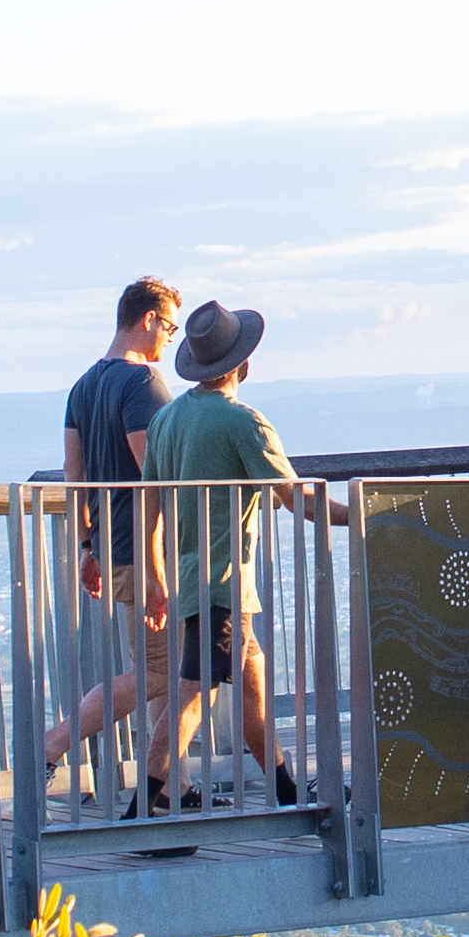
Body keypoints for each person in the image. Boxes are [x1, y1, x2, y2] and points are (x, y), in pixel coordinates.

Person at [143, 296, 350, 810]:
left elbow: (148, 500)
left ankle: (285, 792)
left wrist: (153, 572)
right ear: (244, 364)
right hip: (223, 580)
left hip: (194, 575)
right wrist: (368, 513)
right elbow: (298, 500)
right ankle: (148, 800)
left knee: (251, 685)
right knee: (198, 690)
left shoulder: (166, 421)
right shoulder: (243, 423)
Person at [31, 276, 184, 800]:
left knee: (165, 665)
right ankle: (51, 744)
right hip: (149, 550)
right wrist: (156, 565)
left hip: (115, 547)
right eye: (167, 325)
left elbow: (76, 479)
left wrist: (87, 548)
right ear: (146, 320)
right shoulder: (142, 385)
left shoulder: (83, 386)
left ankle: (169, 783)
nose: (169, 337)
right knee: (164, 672)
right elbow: (155, 482)